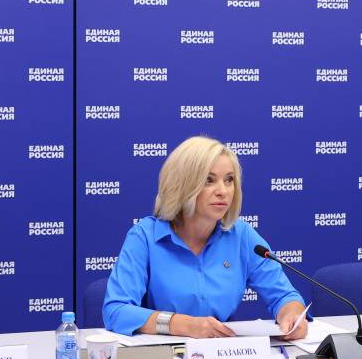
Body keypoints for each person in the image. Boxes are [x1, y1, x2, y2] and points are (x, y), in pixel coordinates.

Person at [103, 136, 308, 338]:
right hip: (163, 355)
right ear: (182, 185)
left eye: (229, 180)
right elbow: (116, 311)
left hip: (222, 354)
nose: (223, 191)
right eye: (209, 180)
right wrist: (183, 325)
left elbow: (285, 296)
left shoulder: (242, 235)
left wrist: (292, 315)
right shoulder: (145, 237)